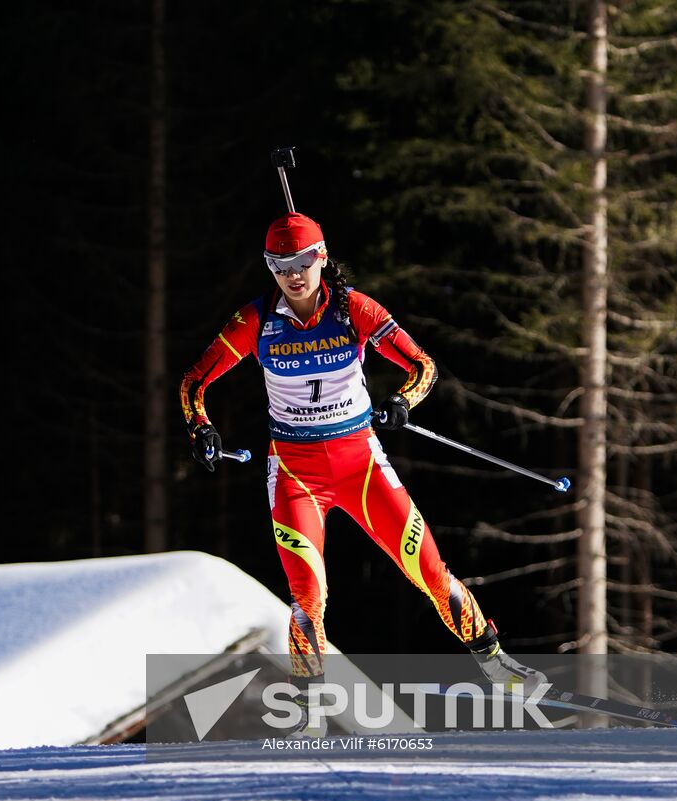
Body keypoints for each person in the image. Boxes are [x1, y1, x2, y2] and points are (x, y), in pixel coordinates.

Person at [179, 212, 544, 729]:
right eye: (280, 264)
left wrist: (402, 400)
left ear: (322, 257)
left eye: (303, 261)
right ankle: (307, 710)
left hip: (361, 465)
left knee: (431, 573)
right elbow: (195, 382)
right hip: (296, 474)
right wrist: (201, 429)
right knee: (308, 594)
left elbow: (423, 366)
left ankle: (495, 662)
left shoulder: (354, 310)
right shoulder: (257, 319)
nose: (294, 274)